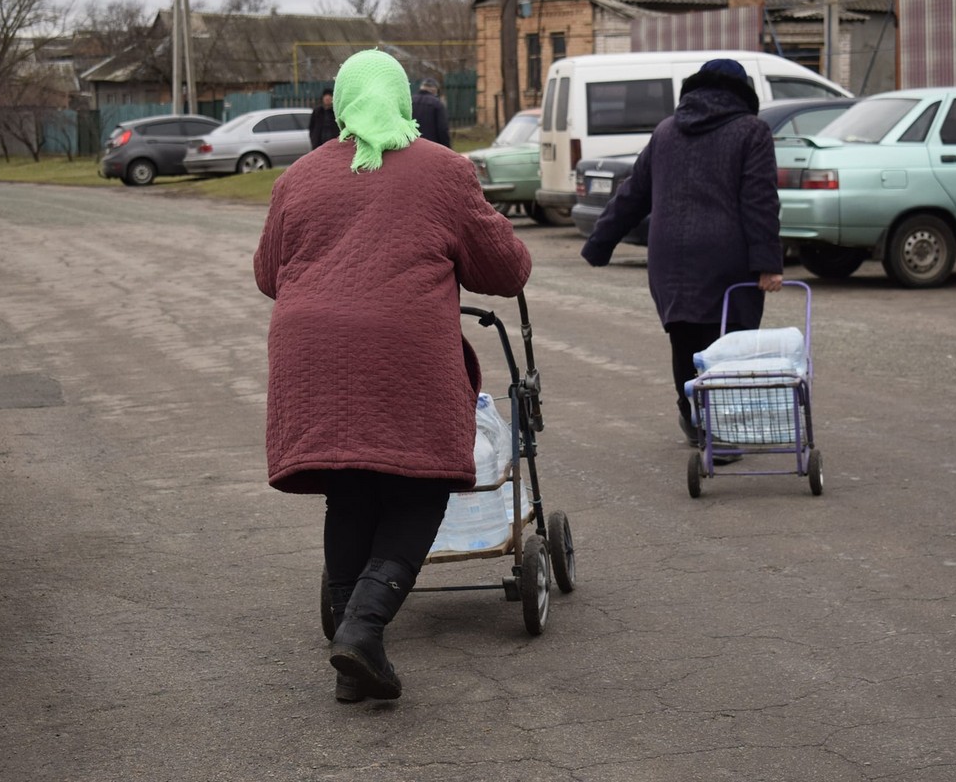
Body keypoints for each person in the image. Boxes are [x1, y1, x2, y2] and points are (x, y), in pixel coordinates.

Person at [254, 49, 531, 704]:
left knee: (350, 490)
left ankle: (356, 649)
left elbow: (269, 274)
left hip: (309, 353)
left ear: (343, 102)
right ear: (403, 100)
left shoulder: (297, 178)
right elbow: (507, 270)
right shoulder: (445, 171)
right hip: (402, 351)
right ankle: (363, 627)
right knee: (422, 483)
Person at [580, 58, 784, 449]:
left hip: (669, 254)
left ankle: (694, 416)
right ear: (742, 93)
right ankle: (722, 426)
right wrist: (767, 264)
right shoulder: (752, 131)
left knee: (685, 334)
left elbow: (633, 192)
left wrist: (599, 242)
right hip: (728, 257)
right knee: (730, 340)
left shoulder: (666, 131)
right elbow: (760, 200)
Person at [411, 77, 451, 147]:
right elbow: (442, 129)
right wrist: (447, 148)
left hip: (412, 145)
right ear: (435, 90)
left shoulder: (410, 101)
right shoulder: (437, 104)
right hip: (431, 147)